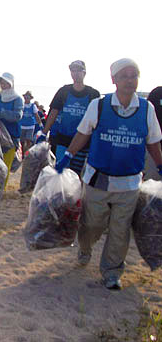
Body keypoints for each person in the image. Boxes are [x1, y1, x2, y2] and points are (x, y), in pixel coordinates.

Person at [55, 58, 162, 290]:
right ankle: (85, 248)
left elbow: (153, 142)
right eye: (124, 76)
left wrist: (161, 165)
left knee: (120, 230)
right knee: (91, 225)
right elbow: (83, 133)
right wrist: (68, 156)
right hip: (97, 180)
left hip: (129, 184)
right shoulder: (99, 105)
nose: (129, 80)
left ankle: (111, 272)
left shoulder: (146, 109)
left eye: (134, 75)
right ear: (113, 80)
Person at [37, 60, 100, 176]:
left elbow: (96, 120)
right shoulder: (64, 91)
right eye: (73, 70)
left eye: (78, 70)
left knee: (76, 174)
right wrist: (44, 133)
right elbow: (53, 112)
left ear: (84, 73)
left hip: (83, 143)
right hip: (63, 140)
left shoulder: (93, 94)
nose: (75, 73)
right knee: (60, 173)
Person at [0, 72, 23, 189]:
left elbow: (17, 116)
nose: (3, 85)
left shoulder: (17, 99)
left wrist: (1, 112)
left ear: (11, 84)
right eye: (1, 82)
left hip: (11, 136)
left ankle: (1, 189)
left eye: (6, 83)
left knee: (6, 164)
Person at [20, 91, 43, 156]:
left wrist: (40, 124)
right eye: (25, 97)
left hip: (30, 126)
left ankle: (27, 154)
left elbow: (36, 115)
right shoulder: (22, 105)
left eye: (28, 97)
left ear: (30, 98)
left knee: (28, 141)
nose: (27, 98)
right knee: (21, 142)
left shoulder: (33, 106)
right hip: (22, 126)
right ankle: (22, 154)